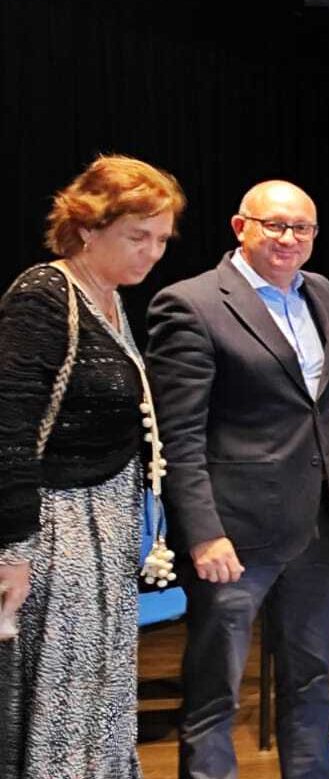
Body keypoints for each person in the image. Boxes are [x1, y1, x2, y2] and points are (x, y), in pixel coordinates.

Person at [146, 179, 329, 778]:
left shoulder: (323, 293)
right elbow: (178, 437)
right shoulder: (191, 303)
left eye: (302, 228)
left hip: (315, 527)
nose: (289, 238)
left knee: (310, 682)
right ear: (241, 228)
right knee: (216, 692)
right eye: (275, 225)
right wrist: (203, 533)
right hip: (232, 537)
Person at [0, 155, 183, 778]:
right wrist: (13, 550)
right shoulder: (44, 295)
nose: (152, 253)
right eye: (138, 237)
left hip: (106, 523)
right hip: (55, 529)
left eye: (160, 240)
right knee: (61, 700)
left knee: (99, 696)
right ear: (86, 228)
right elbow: (10, 426)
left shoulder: (108, 300)